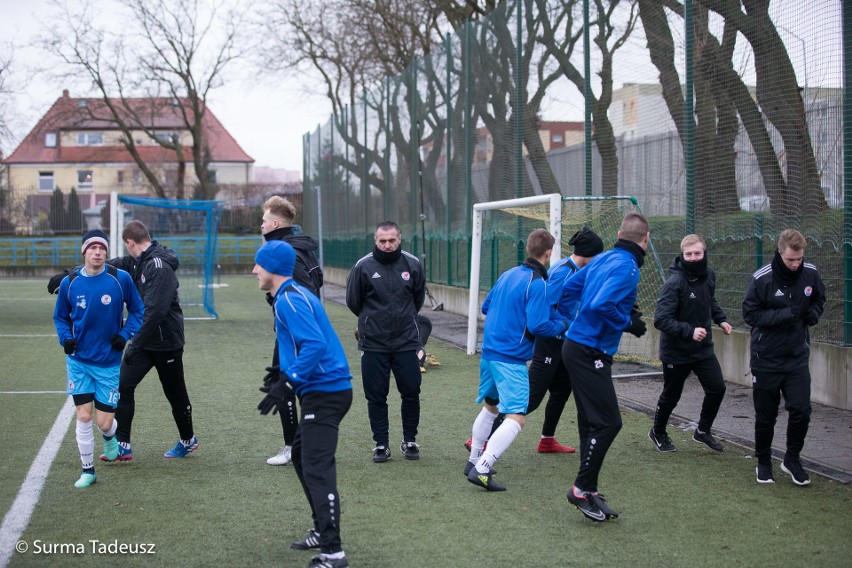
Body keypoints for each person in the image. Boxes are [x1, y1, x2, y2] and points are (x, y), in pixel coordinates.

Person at [49, 221, 198, 459]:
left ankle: (188, 439)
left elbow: (154, 312)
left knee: (175, 393)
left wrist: (132, 341)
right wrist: (69, 274)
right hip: (144, 342)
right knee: (123, 386)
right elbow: (106, 264)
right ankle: (123, 443)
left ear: (130, 242)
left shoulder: (158, 267)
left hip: (166, 342)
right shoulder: (136, 261)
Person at [254, 240, 352, 568]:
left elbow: (314, 343)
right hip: (323, 389)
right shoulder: (289, 295)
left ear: (272, 269)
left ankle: (333, 552)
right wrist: (279, 373)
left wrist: (289, 381)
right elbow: (298, 343)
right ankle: (323, 532)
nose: (254, 270)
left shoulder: (289, 301)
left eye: (259, 264)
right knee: (300, 456)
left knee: (317, 467)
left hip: (326, 392)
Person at [560, 212, 650, 521]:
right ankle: (581, 488)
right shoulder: (626, 267)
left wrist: (579, 320)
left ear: (620, 234)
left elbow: (570, 290)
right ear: (645, 239)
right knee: (610, 422)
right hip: (588, 351)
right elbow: (600, 304)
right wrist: (627, 322)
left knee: (590, 422)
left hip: (576, 346)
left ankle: (589, 489)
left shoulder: (602, 258)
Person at [465, 229, 570, 491]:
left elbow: (486, 307)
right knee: (516, 417)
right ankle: (482, 467)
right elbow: (539, 326)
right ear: (548, 253)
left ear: (527, 250)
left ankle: (473, 460)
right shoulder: (537, 283)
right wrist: (564, 323)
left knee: (491, 407)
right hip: (510, 359)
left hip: (488, 353)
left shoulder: (507, 274)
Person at [53, 230, 143, 488]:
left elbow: (138, 310)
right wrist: (65, 338)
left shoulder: (120, 279)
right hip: (78, 360)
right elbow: (60, 317)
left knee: (104, 423)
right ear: (84, 252)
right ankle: (88, 470)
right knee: (83, 416)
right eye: (92, 248)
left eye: (101, 248)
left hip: (107, 362)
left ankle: (110, 437)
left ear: (106, 252)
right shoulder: (70, 283)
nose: (97, 252)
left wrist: (125, 334)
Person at [743, 229, 825, 486]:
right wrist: (786, 315)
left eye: (799, 258)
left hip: (796, 358)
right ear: (780, 253)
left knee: (802, 409)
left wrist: (813, 314)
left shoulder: (810, 273)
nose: (795, 264)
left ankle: (792, 459)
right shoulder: (762, 279)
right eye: (791, 259)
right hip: (766, 358)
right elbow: (750, 315)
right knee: (766, 416)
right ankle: (764, 462)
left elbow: (819, 299)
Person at [345, 221, 426, 463]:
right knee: (376, 396)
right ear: (375, 240)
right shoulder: (363, 266)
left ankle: (409, 440)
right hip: (374, 344)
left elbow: (418, 298)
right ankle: (381, 444)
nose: (387, 245)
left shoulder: (413, 265)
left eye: (392, 240)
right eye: (383, 241)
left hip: (406, 342)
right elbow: (354, 302)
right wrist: (372, 322)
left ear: (399, 239)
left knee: (411, 392)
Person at [650, 234, 733, 453]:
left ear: (704, 252)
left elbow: (710, 301)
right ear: (682, 255)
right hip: (676, 352)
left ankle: (703, 431)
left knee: (717, 388)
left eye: (697, 253)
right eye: (689, 254)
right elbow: (660, 319)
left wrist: (721, 319)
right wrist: (689, 331)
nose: (694, 258)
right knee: (672, 395)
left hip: (703, 349)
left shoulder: (709, 275)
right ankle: (658, 432)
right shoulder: (674, 283)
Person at [260, 195, 324, 467]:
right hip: (297, 333)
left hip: (295, 335)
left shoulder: (288, 251)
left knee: (286, 387)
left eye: (263, 221)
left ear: (275, 223)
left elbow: (305, 292)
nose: (261, 226)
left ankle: (294, 448)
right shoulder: (301, 247)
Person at [529, 226, 604, 453]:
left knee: (561, 392)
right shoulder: (561, 271)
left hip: (567, 343)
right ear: (587, 254)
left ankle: (547, 440)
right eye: (597, 255)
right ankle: (482, 438)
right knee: (530, 398)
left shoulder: (582, 271)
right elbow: (547, 308)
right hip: (550, 342)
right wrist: (570, 324)